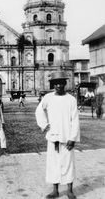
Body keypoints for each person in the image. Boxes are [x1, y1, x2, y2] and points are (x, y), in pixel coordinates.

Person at [35, 71, 80, 199]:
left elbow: (75, 119)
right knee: (53, 164)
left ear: (65, 84)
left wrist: (73, 138)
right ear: (53, 85)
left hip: (67, 137)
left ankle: (69, 190)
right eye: (56, 83)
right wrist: (44, 125)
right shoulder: (48, 98)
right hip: (53, 137)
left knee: (68, 163)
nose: (59, 86)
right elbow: (39, 111)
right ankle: (55, 190)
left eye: (61, 83)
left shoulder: (71, 100)